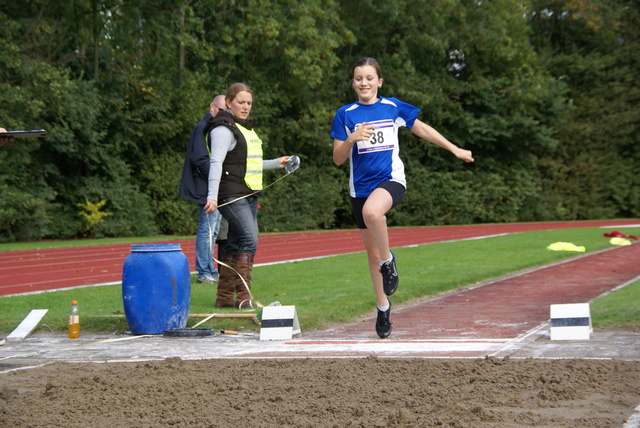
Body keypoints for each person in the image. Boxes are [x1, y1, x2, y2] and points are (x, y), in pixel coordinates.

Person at [331, 57, 474, 338]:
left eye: (369, 78)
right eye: (359, 78)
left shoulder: (392, 107)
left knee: (374, 214)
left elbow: (421, 128)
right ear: (353, 83)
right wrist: (351, 139)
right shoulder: (345, 114)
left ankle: (389, 260)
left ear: (379, 82)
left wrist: (454, 148)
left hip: (390, 181)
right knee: (370, 254)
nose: (364, 83)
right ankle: (383, 307)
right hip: (358, 188)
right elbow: (337, 159)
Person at [204, 82, 292, 308]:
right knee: (249, 239)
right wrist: (212, 196)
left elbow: (249, 163)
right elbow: (216, 162)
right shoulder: (223, 129)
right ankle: (244, 299)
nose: (245, 107)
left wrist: (277, 163)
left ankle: (224, 299)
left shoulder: (245, 129)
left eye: (249, 103)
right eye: (241, 102)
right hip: (232, 196)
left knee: (234, 245)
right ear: (229, 102)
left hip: (249, 194)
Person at [179, 95, 226, 284]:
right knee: (207, 229)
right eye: (221, 110)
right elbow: (199, 159)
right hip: (205, 187)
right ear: (212, 107)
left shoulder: (213, 128)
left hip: (212, 185)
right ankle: (204, 272)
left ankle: (210, 270)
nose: (223, 114)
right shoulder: (203, 128)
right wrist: (218, 176)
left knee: (213, 230)